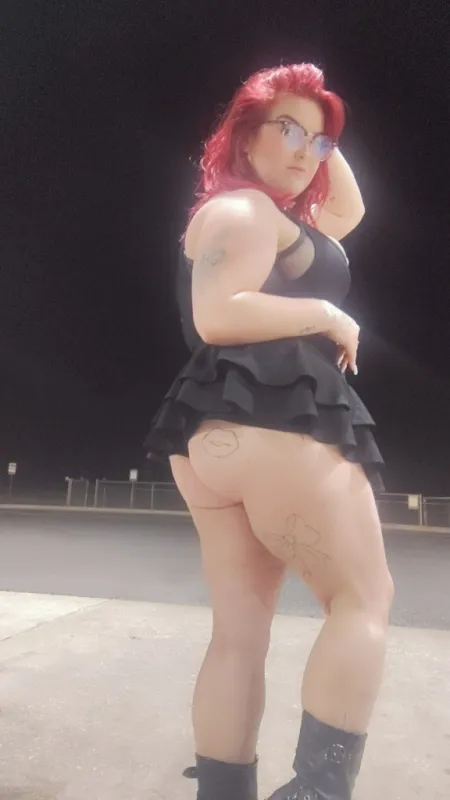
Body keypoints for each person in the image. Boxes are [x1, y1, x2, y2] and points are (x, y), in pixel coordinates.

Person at [144, 62, 394, 800]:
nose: (306, 152)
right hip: (276, 418)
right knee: (363, 599)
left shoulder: (287, 223)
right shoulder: (245, 211)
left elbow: (350, 206)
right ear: (244, 135)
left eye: (318, 142)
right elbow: (219, 313)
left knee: (239, 633)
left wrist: (316, 121)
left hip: (214, 436)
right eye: (286, 131)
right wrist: (326, 314)